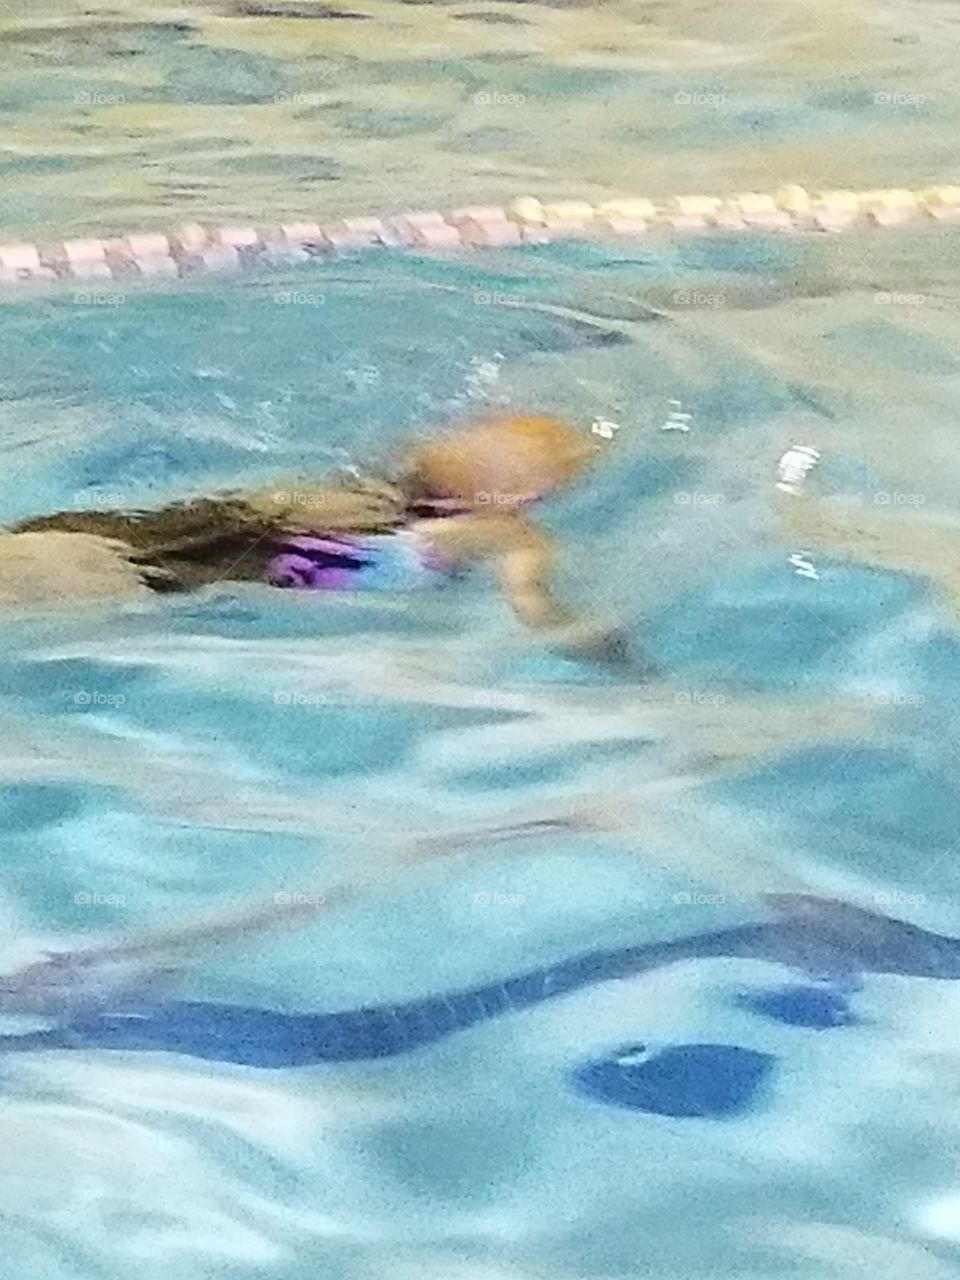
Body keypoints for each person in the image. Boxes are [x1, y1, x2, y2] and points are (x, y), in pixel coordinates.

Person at [4, 414, 624, 661]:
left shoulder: (334, 491)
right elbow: (536, 604)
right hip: (139, 575)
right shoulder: (497, 531)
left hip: (110, 538)